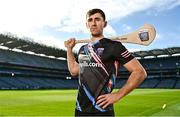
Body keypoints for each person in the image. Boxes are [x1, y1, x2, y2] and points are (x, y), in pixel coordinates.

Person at [64, 8, 147, 116]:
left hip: (103, 111)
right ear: (87, 24)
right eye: (90, 20)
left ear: (105, 23)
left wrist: (118, 95)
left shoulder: (114, 47)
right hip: (80, 109)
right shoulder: (83, 49)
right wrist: (69, 49)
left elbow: (140, 72)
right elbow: (75, 71)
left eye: (97, 19)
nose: (93, 23)